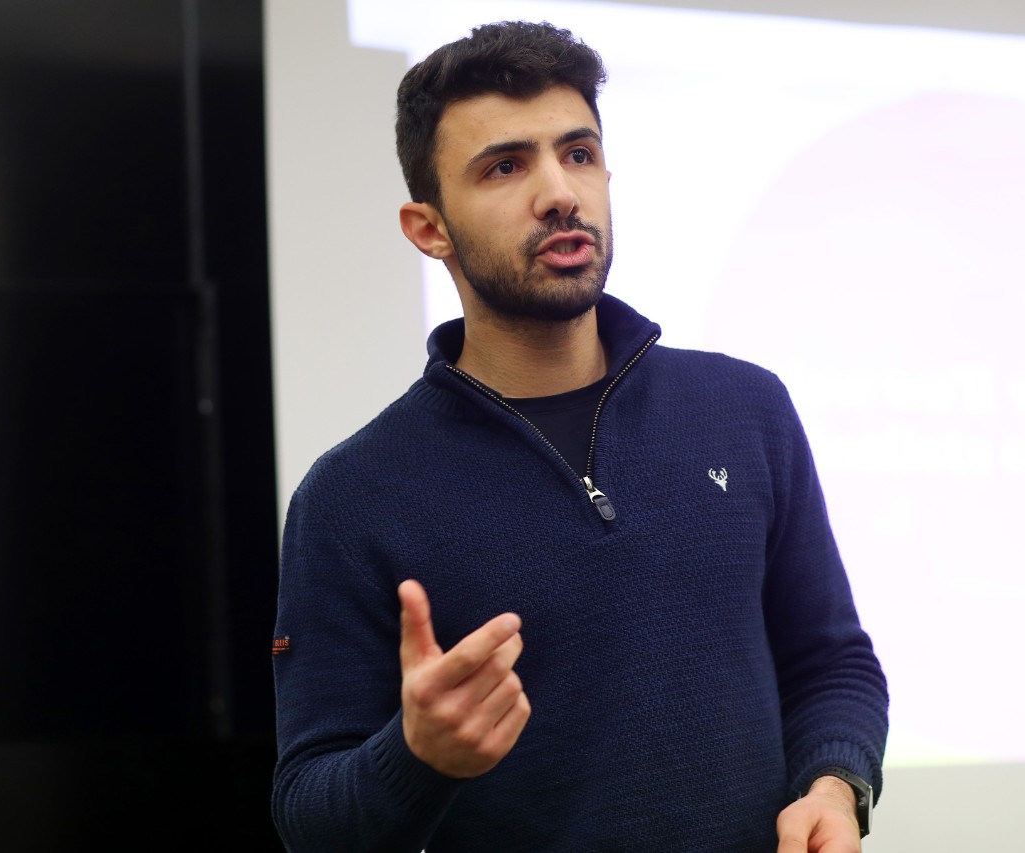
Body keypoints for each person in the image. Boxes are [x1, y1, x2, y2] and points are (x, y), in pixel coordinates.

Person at [271, 21, 888, 853]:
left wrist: (834, 786)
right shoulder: (351, 495)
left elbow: (831, 662)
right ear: (429, 227)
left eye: (579, 153)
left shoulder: (746, 408)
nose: (560, 191)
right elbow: (308, 810)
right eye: (505, 166)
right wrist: (414, 756)